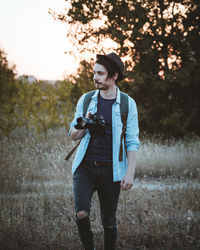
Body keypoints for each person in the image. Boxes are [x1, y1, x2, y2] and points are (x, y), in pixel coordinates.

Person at [68, 52, 140, 250]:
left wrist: (130, 172)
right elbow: (73, 134)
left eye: (100, 73)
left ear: (114, 76)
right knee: (81, 213)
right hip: (85, 167)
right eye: (94, 73)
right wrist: (85, 123)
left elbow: (132, 141)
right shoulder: (86, 100)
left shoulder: (127, 103)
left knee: (108, 221)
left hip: (111, 170)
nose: (95, 77)